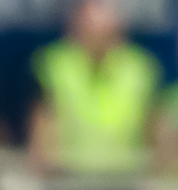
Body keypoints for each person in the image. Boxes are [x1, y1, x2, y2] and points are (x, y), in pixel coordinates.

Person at [30, 0, 161, 174]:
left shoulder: (141, 68)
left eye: (105, 34)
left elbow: (154, 130)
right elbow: (42, 128)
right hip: (67, 178)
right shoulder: (54, 64)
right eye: (89, 31)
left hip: (127, 178)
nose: (97, 39)